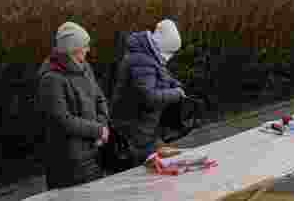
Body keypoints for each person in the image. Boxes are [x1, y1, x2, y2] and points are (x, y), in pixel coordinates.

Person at [37, 21, 110, 190]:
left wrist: (102, 126)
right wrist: (98, 130)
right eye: (84, 46)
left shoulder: (85, 68)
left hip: (95, 153)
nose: (88, 49)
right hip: (69, 162)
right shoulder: (51, 79)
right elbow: (62, 120)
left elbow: (100, 100)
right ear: (72, 49)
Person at [110, 19, 185, 165]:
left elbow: (163, 77)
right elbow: (149, 96)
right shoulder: (141, 60)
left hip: (145, 130)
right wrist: (176, 93)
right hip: (134, 132)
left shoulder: (148, 56)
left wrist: (175, 85)